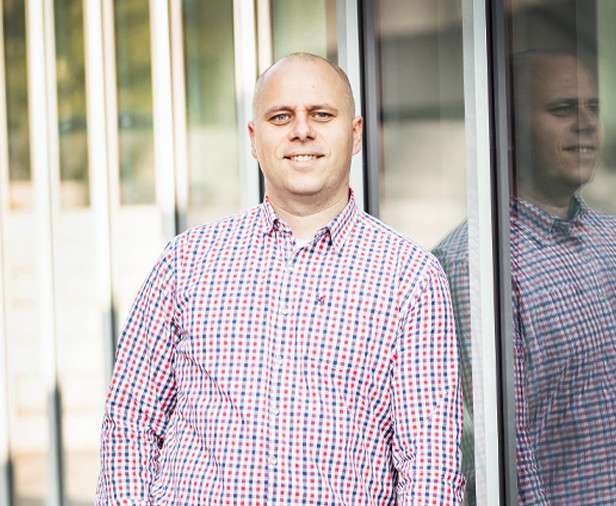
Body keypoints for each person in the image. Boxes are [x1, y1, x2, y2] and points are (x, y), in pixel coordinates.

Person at [95, 52, 466, 505]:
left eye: (322, 115)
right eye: (281, 116)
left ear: (355, 134)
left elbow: (430, 465)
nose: (301, 130)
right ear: (254, 138)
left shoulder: (410, 277)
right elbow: (130, 419)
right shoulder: (187, 261)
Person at [434, 50, 616, 505]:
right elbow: (509, 452)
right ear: (509, 131)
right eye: (562, 109)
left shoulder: (610, 238)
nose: (586, 124)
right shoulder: (477, 262)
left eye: (592, 108)